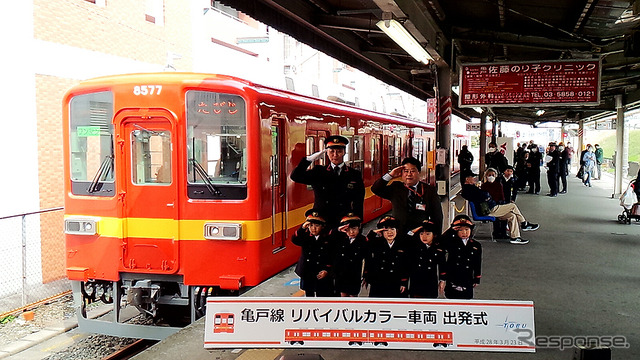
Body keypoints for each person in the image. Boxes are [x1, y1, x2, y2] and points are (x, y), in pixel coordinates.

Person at [290, 135, 365, 228]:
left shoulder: (354, 174)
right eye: (331, 151)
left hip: (343, 221)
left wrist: (358, 221)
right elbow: (295, 176)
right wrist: (308, 159)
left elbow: (359, 200)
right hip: (322, 220)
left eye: (339, 151)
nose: (335, 155)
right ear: (327, 153)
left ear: (344, 152)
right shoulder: (318, 172)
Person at [461, 170, 538, 245]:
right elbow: (484, 195)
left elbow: (484, 195)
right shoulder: (469, 189)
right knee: (512, 206)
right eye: (472, 177)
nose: (474, 178)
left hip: (489, 208)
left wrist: (486, 195)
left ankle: (515, 237)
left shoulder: (471, 188)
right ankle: (524, 223)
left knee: (512, 216)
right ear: (467, 179)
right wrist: (486, 195)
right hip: (489, 210)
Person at [371, 157, 443, 235]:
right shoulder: (396, 187)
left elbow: (437, 217)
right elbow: (376, 189)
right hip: (399, 235)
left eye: (412, 171)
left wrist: (436, 237)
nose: (409, 174)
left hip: (419, 235)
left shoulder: (429, 190)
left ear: (419, 172)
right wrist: (391, 174)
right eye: (406, 171)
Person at [291, 210, 335, 297]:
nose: (313, 228)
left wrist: (327, 269)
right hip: (307, 271)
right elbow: (295, 240)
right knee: (309, 294)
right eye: (310, 225)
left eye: (317, 225)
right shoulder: (305, 236)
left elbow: (332, 255)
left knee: (322, 294)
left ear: (322, 226)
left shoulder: (328, 237)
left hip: (321, 271)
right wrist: (302, 228)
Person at [363, 216, 409, 298]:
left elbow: (406, 265)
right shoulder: (376, 243)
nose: (390, 232)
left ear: (397, 230)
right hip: (379, 282)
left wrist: (404, 282)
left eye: (392, 229)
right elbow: (366, 249)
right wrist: (374, 232)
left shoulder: (403, 244)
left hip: (396, 282)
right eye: (386, 230)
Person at [443, 215, 482, 300]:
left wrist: (477, 278)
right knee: (451, 298)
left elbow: (477, 262)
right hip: (453, 275)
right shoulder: (452, 243)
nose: (464, 233)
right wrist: (450, 231)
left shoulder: (476, 245)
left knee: (466, 299)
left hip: (467, 276)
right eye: (460, 230)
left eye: (467, 229)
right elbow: (441, 242)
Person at [407, 219, 446, 298]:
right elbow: (406, 237)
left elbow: (442, 265)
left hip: (431, 281)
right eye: (421, 234)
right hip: (416, 281)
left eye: (428, 234)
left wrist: (442, 280)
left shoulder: (438, 248)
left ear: (434, 235)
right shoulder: (415, 246)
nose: (424, 237)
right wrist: (416, 229)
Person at [332, 213, 367, 297]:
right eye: (348, 229)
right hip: (341, 275)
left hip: (354, 275)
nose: (351, 232)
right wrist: (338, 230)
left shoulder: (363, 241)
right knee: (342, 296)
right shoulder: (340, 239)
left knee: (353, 297)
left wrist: (366, 274)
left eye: (354, 228)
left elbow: (368, 259)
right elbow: (329, 237)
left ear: (359, 228)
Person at [481, 168, 507, 239]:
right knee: (501, 214)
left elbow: (502, 197)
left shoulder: (499, 185)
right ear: (486, 176)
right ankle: (497, 232)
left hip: (498, 204)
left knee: (509, 215)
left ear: (496, 176)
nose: (491, 176)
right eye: (489, 175)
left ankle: (503, 233)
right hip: (490, 206)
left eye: (493, 175)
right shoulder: (484, 186)